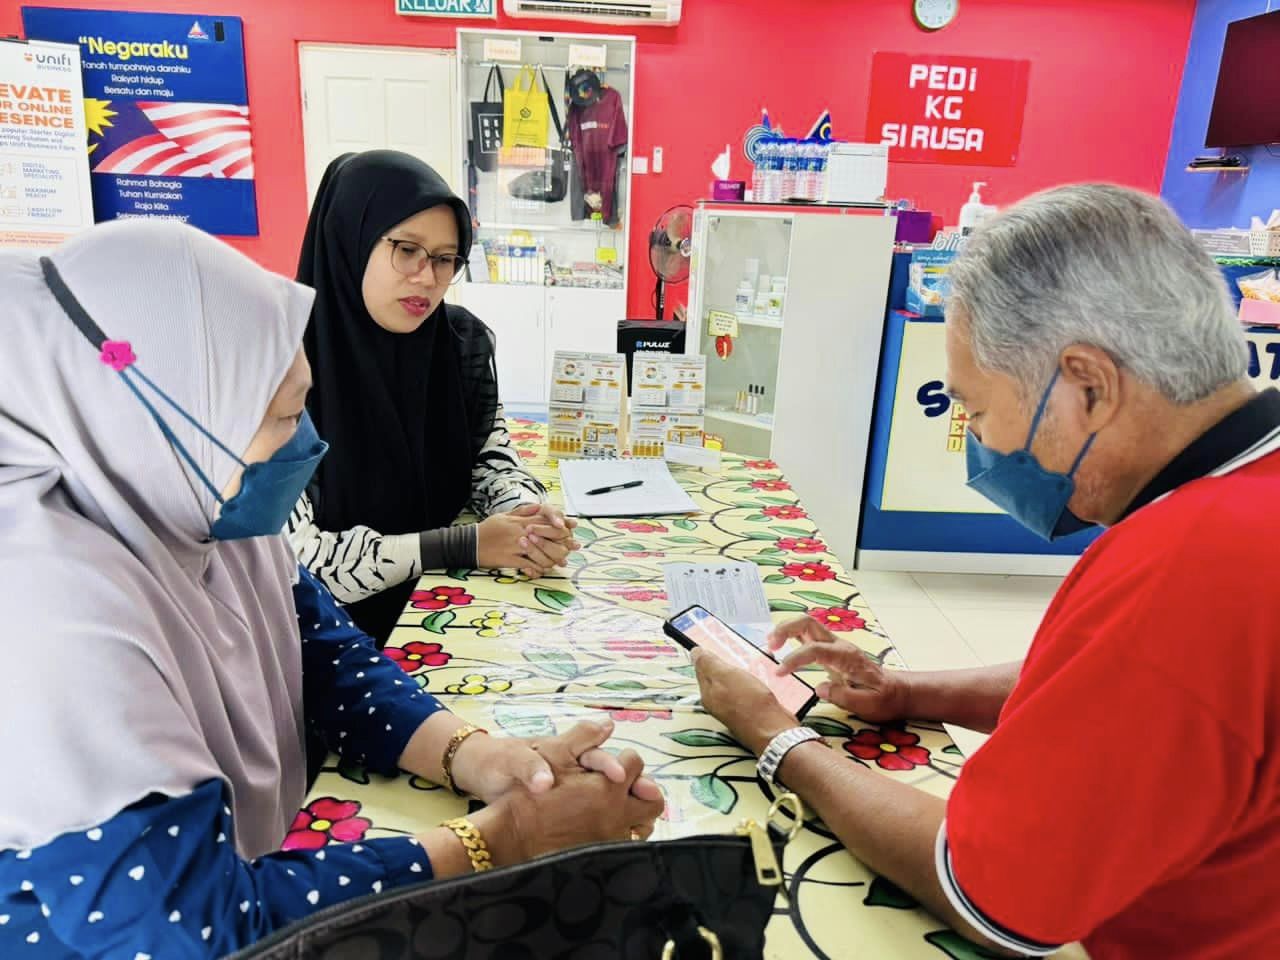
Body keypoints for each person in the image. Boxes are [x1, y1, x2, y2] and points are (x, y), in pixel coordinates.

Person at [0, 219, 662, 958]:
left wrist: (482, 757)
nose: (307, 443)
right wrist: (502, 840)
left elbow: (326, 657)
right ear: (154, 422)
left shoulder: (187, 497)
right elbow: (203, 930)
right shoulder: (46, 617)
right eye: (284, 416)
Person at [692, 184, 1280, 959]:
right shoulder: (1245, 501)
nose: (981, 444)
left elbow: (990, 893)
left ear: (1089, 386)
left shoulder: (1188, 567)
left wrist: (777, 740)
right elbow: (1110, 690)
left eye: (975, 410)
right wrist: (908, 692)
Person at [289, 150, 579, 643]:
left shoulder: (458, 344)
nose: (427, 277)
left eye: (446, 259)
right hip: (324, 645)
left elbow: (491, 462)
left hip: (443, 616)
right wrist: (466, 545)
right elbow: (301, 562)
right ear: (349, 240)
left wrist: (530, 519)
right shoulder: (280, 365)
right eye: (407, 249)